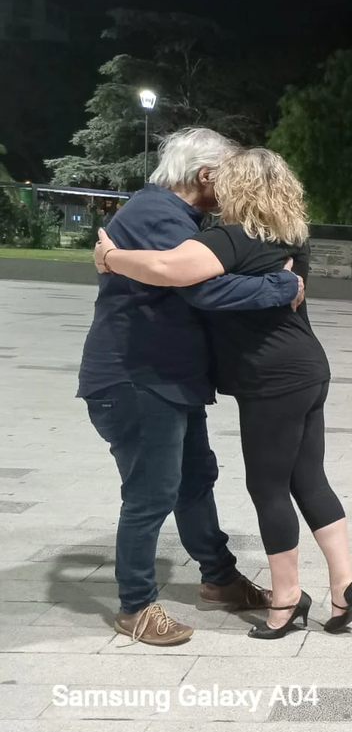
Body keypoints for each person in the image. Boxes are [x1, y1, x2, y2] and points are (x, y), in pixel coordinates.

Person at [94, 148, 352, 639]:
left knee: (267, 488)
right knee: (309, 479)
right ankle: (344, 584)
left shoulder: (230, 238)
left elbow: (177, 277)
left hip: (270, 380)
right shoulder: (288, 236)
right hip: (309, 368)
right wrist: (280, 285)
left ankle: (284, 600)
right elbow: (203, 285)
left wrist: (110, 257)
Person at [77, 127, 301, 646]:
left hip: (167, 378)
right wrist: (281, 284)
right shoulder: (156, 214)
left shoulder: (176, 216)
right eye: (230, 178)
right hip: (136, 377)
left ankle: (219, 578)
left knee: (194, 478)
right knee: (151, 492)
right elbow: (201, 286)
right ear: (206, 176)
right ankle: (135, 606)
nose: (237, 189)